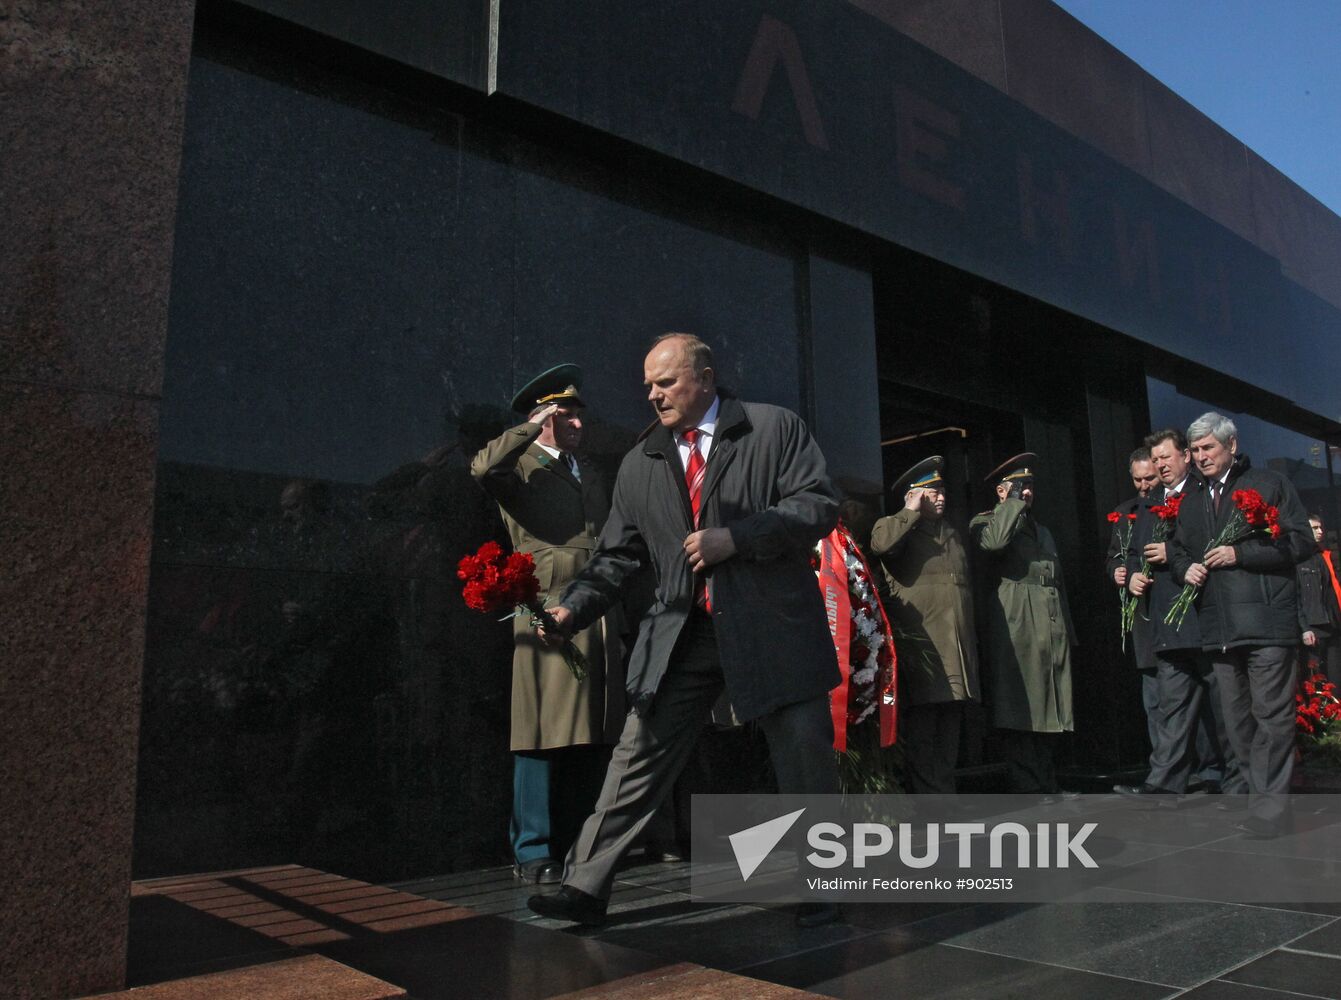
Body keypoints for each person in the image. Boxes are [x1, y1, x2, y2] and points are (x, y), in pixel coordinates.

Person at [527, 333, 842, 927]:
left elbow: (819, 504)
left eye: (665, 382)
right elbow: (617, 556)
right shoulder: (641, 462)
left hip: (770, 626)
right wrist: (573, 608)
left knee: (803, 754)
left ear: (704, 375)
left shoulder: (774, 429)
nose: (653, 395)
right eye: (647, 385)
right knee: (637, 751)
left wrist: (739, 537)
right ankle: (585, 886)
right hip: (681, 632)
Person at [470, 365, 624, 884]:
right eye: (567, 412)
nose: (578, 421)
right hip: (545, 608)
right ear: (546, 415)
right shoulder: (523, 462)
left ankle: (575, 843)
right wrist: (529, 428)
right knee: (539, 732)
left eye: (579, 412)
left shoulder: (590, 469)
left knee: (589, 734)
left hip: (595, 608)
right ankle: (532, 849)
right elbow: (482, 469)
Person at [1166, 412, 1314, 837]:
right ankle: (1260, 801)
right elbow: (1176, 550)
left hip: (1267, 622)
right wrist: (1184, 570)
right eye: (1194, 450)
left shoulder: (1268, 484)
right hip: (1218, 627)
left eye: (1207, 447)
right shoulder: (1190, 499)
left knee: (1272, 717)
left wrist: (1241, 555)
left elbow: (1301, 541)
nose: (1200, 457)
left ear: (1231, 446)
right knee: (1237, 724)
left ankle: (1270, 810)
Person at [1116, 428, 1239, 801]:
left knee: (1223, 709)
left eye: (1166, 457)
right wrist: (1133, 573)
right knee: (1172, 708)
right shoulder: (1148, 504)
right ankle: (1165, 783)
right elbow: (1133, 552)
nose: (1160, 465)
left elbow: (1219, 546)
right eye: (1155, 460)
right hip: (1167, 619)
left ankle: (1233, 781)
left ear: (1185, 456)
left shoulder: (1205, 494)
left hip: (1206, 618)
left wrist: (1175, 556)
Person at [869, 455, 979, 794]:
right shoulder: (894, 525)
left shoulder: (952, 534)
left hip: (956, 644)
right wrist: (910, 511)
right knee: (924, 728)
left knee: (949, 727)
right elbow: (881, 545)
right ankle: (930, 797)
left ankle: (944, 791)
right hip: (925, 647)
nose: (941, 496)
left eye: (942, 490)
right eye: (932, 491)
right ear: (914, 495)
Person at [970, 453, 1076, 797]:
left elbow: (1056, 582)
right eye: (1018, 486)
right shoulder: (985, 521)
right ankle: (1028, 786)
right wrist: (1011, 504)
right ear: (1001, 492)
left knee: (1052, 707)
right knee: (1021, 709)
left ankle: (1048, 782)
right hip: (1018, 627)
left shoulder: (1040, 529)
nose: (1026, 492)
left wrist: (1068, 632)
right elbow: (995, 543)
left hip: (1050, 625)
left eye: (1029, 486)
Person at [1106, 447, 1160, 748]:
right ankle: (1163, 769)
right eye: (1138, 480)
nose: (1144, 486)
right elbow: (1114, 557)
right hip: (1142, 622)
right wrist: (1118, 572)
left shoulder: (1175, 506)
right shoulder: (1125, 513)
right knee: (1153, 700)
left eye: (1149, 478)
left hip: (1172, 619)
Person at [1298, 513, 1341, 686]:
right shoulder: (1297, 559)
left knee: (1334, 676)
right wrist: (1304, 627)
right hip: (1312, 626)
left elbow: (1331, 592)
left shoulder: (1322, 557)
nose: (1320, 531)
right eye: (1315, 528)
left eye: (1321, 527)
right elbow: (1296, 596)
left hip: (1331, 624)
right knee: (1314, 679)